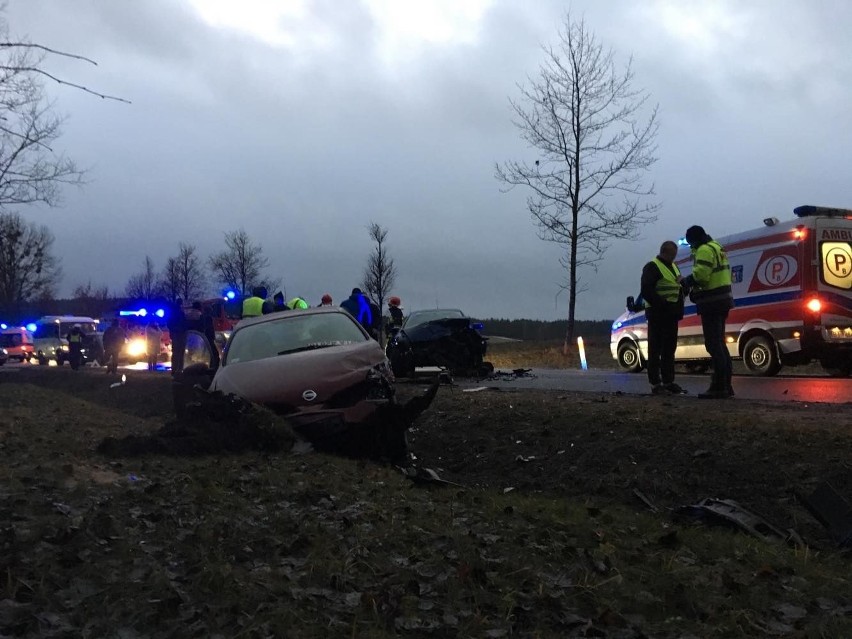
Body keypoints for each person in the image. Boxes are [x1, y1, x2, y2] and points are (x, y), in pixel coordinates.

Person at [682, 225, 735, 399]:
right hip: (723, 300)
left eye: (690, 243)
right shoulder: (717, 247)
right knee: (720, 344)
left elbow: (702, 276)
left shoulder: (704, 250)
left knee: (713, 344)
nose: (691, 247)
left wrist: (686, 282)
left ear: (694, 239)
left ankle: (719, 386)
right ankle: (726, 385)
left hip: (712, 302)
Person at [640, 241, 685, 395]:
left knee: (669, 349)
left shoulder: (673, 267)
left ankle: (668, 381)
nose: (674, 257)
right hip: (658, 314)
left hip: (671, 315)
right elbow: (647, 290)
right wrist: (663, 304)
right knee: (655, 349)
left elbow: (678, 288)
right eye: (673, 254)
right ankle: (655, 383)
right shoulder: (652, 267)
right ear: (666, 252)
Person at [167, 298, 187, 376]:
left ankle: (174, 369)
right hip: (180, 333)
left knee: (175, 352)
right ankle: (180, 369)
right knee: (181, 352)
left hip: (175, 333)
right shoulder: (181, 313)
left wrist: (171, 332)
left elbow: (169, 324)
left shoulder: (172, 313)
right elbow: (185, 324)